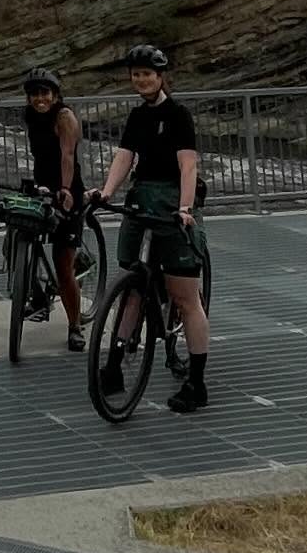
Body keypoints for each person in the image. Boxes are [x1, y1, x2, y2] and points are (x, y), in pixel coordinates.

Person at [89, 44, 210, 413]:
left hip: (173, 204)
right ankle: (113, 367)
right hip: (143, 200)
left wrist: (186, 207)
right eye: (136, 74)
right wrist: (106, 191)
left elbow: (188, 164)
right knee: (134, 287)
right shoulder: (138, 116)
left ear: (161, 77)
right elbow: (125, 156)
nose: (141, 79)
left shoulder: (178, 115)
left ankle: (197, 382)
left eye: (148, 74)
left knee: (185, 296)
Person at [21, 65, 87, 352]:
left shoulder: (64, 117)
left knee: (62, 266)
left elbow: (67, 156)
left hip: (68, 189)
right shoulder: (30, 116)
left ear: (56, 94)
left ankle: (74, 326)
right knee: (19, 235)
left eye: (45, 93)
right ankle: (36, 295)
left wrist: (65, 190)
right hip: (42, 187)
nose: (40, 99)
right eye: (34, 94)